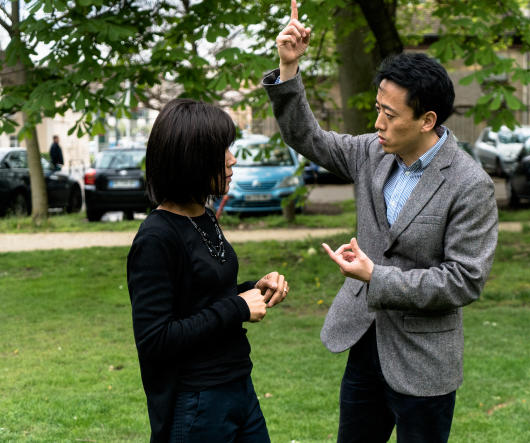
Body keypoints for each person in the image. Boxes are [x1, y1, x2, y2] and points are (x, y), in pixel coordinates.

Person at [262, 2, 498, 441]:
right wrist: (289, 67)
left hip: (424, 361)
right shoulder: (371, 152)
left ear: (427, 120)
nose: (377, 123)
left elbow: (464, 281)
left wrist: (377, 276)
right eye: (377, 109)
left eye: (390, 115)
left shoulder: (470, 184)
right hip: (363, 340)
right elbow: (306, 137)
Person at [127, 98, 289, 442]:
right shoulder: (156, 238)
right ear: (191, 158)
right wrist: (238, 307)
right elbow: (156, 339)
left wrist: (253, 289)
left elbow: (203, 297)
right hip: (198, 403)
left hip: (238, 387)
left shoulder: (203, 217)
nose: (232, 159)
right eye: (221, 151)